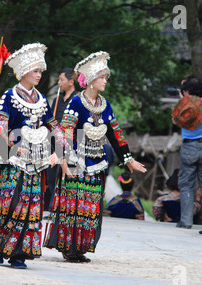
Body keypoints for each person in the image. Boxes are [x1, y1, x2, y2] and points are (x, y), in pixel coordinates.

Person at [44, 51, 147, 263]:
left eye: (106, 77)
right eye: (103, 77)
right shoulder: (75, 103)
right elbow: (67, 134)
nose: (105, 81)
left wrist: (128, 159)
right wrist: (65, 162)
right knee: (74, 207)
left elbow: (116, 134)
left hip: (97, 163)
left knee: (90, 208)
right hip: (76, 164)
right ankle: (70, 248)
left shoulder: (105, 106)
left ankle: (81, 247)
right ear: (91, 80)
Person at [0, 43, 65, 269]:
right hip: (11, 161)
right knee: (10, 204)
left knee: (30, 207)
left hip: (35, 162)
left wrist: (59, 150)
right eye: (35, 71)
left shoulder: (40, 99)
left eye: (41, 71)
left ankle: (19, 254)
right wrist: (12, 146)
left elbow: (53, 124)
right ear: (22, 72)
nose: (39, 75)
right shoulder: (9, 96)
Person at [176, 76, 202, 228]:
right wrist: (200, 85)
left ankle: (186, 221)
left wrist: (185, 90)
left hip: (189, 148)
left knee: (186, 185)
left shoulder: (184, 104)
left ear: (186, 91)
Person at [45, 68, 78, 210]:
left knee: (67, 174)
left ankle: (63, 207)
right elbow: (50, 120)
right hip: (54, 142)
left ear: (71, 82)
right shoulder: (57, 99)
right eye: (58, 80)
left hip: (71, 142)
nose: (59, 83)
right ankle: (53, 205)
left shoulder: (77, 99)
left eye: (61, 80)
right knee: (51, 175)